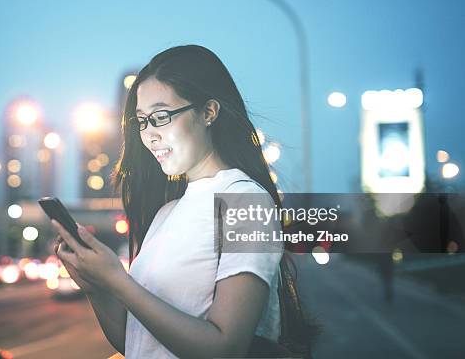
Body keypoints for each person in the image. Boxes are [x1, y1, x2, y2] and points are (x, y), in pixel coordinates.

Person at [53, 45, 314, 358]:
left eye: (161, 117)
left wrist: (117, 281)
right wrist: (96, 286)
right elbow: (136, 345)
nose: (149, 135)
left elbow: (225, 349)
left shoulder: (244, 200)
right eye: (142, 121)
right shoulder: (166, 212)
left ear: (208, 112)